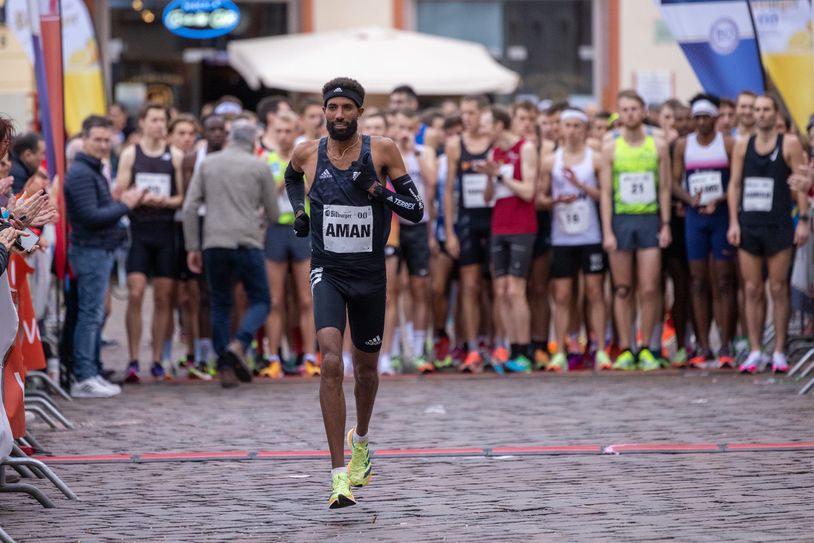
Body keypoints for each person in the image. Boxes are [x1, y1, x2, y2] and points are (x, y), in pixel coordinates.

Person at [285, 77, 423, 508]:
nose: (339, 115)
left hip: (369, 275)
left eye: (347, 108)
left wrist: (376, 190)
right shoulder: (306, 152)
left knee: (365, 371)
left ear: (360, 112)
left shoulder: (382, 150)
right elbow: (291, 180)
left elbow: (416, 211)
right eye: (333, 108)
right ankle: (338, 476)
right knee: (329, 361)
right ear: (324, 111)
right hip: (327, 269)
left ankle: (361, 440)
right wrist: (299, 213)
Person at [183, 119, 279, 387]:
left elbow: (190, 206)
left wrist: (193, 245)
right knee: (261, 299)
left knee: (220, 302)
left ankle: (225, 365)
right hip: (248, 241)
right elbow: (273, 211)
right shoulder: (259, 166)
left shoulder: (209, 163)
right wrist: (259, 218)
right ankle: (240, 342)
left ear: (229, 137)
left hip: (214, 241)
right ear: (253, 142)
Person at [726, 94, 810, 373]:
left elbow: (800, 183)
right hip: (749, 223)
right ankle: (754, 350)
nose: (759, 114)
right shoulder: (742, 145)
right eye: (756, 109)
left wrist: (803, 220)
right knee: (751, 288)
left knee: (778, 288)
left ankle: (778, 351)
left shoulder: (789, 143)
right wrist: (733, 222)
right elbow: (735, 185)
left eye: (765, 109)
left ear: (776, 114)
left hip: (778, 223)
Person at [65, 116, 145, 397]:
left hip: (98, 248)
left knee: (93, 313)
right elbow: (91, 216)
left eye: (105, 139)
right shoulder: (81, 173)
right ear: (84, 139)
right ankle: (84, 376)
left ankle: (91, 370)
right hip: (90, 249)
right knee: (90, 314)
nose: (101, 144)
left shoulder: (92, 169)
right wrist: (125, 205)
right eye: (96, 139)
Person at [600, 90, 672, 370]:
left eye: (634, 109)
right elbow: (606, 193)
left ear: (643, 112)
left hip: (648, 219)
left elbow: (664, 187)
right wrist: (607, 230)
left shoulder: (658, 144)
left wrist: (665, 223)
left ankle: (647, 347)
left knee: (650, 287)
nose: (629, 114)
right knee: (622, 288)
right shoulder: (610, 146)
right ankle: (627, 346)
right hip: (621, 219)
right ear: (619, 113)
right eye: (624, 109)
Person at [115, 103, 185, 382]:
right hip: (139, 231)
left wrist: (163, 201)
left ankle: (157, 359)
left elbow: (182, 197)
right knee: (135, 292)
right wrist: (137, 197)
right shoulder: (131, 154)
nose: (159, 125)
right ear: (142, 122)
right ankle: (133, 359)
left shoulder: (175, 155)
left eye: (162, 120)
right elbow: (120, 192)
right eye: (154, 119)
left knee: (164, 297)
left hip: (166, 231)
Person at [541, 108, 611, 372]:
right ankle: (559, 350)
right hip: (562, 237)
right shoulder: (551, 161)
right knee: (562, 294)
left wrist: (580, 186)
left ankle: (601, 350)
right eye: (566, 125)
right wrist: (557, 200)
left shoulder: (596, 159)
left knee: (595, 292)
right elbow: (540, 198)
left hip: (590, 234)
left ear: (585, 129)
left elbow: (604, 195)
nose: (571, 131)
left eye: (576, 126)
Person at [671, 95, 736, 368]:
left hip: (720, 215)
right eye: (696, 117)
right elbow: (672, 183)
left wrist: (720, 199)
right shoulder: (684, 146)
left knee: (722, 280)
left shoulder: (728, 143)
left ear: (715, 118)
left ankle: (726, 342)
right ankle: (703, 344)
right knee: (696, 281)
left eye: (705, 117)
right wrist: (689, 199)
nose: (700, 122)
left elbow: (736, 180)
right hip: (695, 218)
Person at [260, 110, 318, 378]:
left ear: (296, 133)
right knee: (275, 299)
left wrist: (297, 179)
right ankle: (273, 357)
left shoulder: (306, 159)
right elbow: (264, 196)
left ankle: (309, 355)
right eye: (279, 132)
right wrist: (284, 180)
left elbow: (316, 191)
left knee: (306, 299)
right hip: (275, 229)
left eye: (288, 132)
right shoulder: (266, 159)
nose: (283, 137)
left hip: (302, 229)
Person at [482, 105, 538, 372]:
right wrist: (490, 178)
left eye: (486, 125)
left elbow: (528, 191)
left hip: (521, 225)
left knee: (516, 290)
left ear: (499, 126)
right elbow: (487, 197)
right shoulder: (494, 152)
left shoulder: (525, 148)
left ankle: (522, 349)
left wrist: (501, 175)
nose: (482, 130)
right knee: (501, 290)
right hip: (499, 224)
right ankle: (506, 347)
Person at [443, 95, 494, 371]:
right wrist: (450, 231)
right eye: (464, 113)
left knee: (496, 288)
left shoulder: (494, 143)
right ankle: (473, 347)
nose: (466, 118)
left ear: (483, 114)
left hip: (495, 220)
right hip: (468, 223)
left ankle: (497, 343)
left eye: (472, 113)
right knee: (470, 286)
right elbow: (449, 190)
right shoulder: (455, 145)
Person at [177, 114, 227, 379]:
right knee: (202, 294)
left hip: (228, 226)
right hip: (203, 222)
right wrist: (192, 243)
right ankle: (205, 351)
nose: (217, 133)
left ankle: (232, 351)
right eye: (212, 129)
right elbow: (189, 200)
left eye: (221, 129)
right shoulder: (192, 160)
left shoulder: (233, 157)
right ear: (204, 133)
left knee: (233, 294)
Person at [391, 109, 434, 372]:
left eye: (409, 127)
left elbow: (431, 181)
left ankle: (418, 350)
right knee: (393, 290)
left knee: (420, 288)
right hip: (394, 228)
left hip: (419, 226)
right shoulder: (388, 152)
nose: (404, 132)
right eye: (400, 127)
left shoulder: (423, 153)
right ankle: (395, 349)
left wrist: (413, 153)